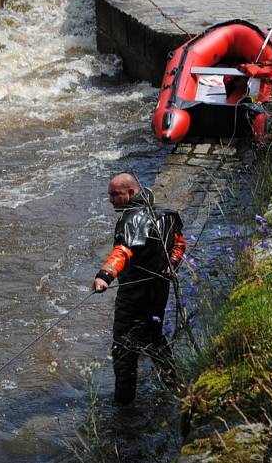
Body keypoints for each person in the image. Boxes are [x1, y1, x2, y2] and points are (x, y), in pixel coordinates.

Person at [93, 172, 186, 405]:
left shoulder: (131, 218)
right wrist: (172, 265)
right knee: (154, 338)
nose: (111, 200)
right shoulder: (167, 214)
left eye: (115, 194)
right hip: (159, 292)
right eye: (109, 195)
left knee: (124, 348)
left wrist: (105, 276)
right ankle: (175, 386)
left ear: (131, 193)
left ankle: (124, 406)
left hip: (134, 296)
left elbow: (123, 251)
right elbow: (179, 244)